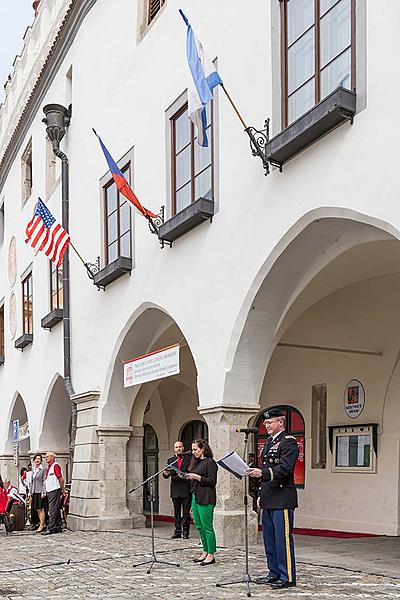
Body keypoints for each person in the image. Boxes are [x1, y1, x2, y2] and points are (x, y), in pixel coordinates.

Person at [248, 408, 299, 589]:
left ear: (281, 422)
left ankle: (287, 576)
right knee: (269, 539)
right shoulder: (269, 442)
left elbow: (285, 469)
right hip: (269, 496)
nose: (266, 425)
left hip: (282, 497)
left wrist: (261, 473)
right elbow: (268, 470)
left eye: (270, 422)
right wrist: (261, 494)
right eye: (265, 423)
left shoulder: (288, 442)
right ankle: (273, 572)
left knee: (282, 538)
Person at [187, 439, 218, 566]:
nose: (193, 452)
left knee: (207, 527)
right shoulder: (197, 463)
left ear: (203, 449)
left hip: (206, 497)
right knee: (199, 526)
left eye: (196, 449)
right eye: (193, 449)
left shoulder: (210, 462)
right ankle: (205, 551)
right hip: (196, 496)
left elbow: (212, 481)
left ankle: (211, 554)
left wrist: (197, 477)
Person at [163, 441, 192, 539]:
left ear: (183, 448)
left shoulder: (189, 458)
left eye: (180, 446)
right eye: (176, 447)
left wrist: (184, 475)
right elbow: (165, 475)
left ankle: (186, 532)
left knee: (186, 513)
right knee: (176, 512)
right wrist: (166, 473)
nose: (178, 448)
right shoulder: (170, 460)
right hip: (175, 489)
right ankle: (177, 531)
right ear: (174, 449)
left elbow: (191, 471)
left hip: (186, 488)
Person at [42, 452, 65, 535]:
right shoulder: (50, 466)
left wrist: (62, 489)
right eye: (45, 457)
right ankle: (58, 526)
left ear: (52, 457)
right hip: (50, 490)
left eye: (47, 457)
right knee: (55, 508)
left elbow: (61, 479)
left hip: (55, 489)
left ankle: (51, 527)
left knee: (52, 509)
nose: (46, 458)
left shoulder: (55, 466)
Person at [29, 454, 47, 533]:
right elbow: (32, 482)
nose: (37, 460)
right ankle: (41, 523)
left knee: (40, 508)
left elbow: (44, 481)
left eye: (39, 459)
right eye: (36, 459)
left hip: (40, 491)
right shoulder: (34, 469)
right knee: (36, 509)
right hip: (34, 491)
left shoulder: (43, 469)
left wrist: (43, 491)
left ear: (41, 460)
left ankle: (42, 524)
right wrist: (30, 492)